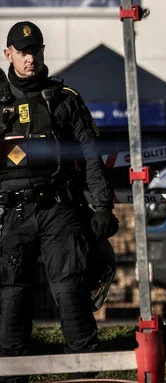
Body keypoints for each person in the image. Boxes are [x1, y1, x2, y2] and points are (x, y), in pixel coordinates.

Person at [0, 21, 119, 382]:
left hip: (58, 211)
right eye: (22, 52)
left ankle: (83, 374)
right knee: (11, 302)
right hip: (10, 214)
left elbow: (92, 156)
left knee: (70, 293)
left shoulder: (64, 98)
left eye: (35, 50)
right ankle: (11, 376)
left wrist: (102, 207)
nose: (30, 58)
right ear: (9, 54)